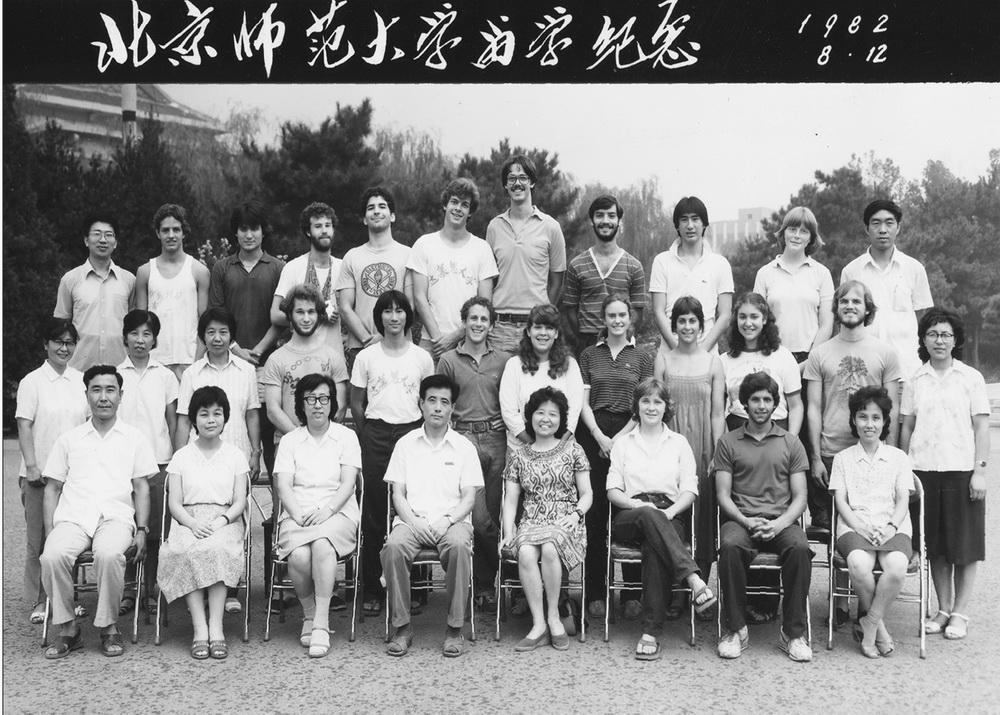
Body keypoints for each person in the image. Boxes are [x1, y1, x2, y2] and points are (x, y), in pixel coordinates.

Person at [39, 365, 157, 659]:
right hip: (74, 517)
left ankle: (108, 626)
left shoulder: (134, 438)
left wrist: (142, 529)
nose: (103, 397)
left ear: (120, 395)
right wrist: (51, 533)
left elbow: (141, 487)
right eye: (96, 390)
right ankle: (69, 628)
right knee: (51, 556)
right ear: (87, 395)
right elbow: (52, 489)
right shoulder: (69, 439)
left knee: (109, 554)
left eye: (110, 390)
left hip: (115, 518)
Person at [607, 378, 717, 660]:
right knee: (648, 514)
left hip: (669, 513)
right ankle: (694, 579)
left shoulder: (679, 443)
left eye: (658, 402)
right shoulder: (623, 444)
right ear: (636, 406)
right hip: (630, 514)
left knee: (654, 548)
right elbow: (612, 490)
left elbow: (690, 489)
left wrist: (669, 512)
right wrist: (637, 504)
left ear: (666, 407)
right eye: (645, 401)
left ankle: (650, 634)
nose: (651, 407)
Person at [899, 309, 990, 641]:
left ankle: (960, 613)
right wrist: (903, 471)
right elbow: (906, 427)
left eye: (946, 334)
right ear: (924, 340)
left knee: (964, 547)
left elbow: (982, 428)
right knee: (935, 546)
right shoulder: (915, 379)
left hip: (962, 472)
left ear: (955, 340)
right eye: (933, 334)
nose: (939, 340)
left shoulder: (970, 378)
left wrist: (980, 472)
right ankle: (942, 609)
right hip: (923, 472)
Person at [381, 374, 483, 657]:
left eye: (444, 402)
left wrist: (447, 521)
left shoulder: (464, 447)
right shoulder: (405, 444)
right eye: (432, 400)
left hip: (452, 521)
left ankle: (454, 628)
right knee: (393, 547)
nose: (438, 407)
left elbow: (469, 498)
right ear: (421, 404)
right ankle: (402, 627)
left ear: (452, 408)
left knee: (460, 546)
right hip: (411, 520)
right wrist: (414, 522)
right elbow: (397, 494)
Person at [714, 372, 812, 662]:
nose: (761, 405)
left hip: (781, 520)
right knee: (730, 546)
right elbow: (722, 495)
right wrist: (746, 521)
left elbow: (801, 497)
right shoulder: (727, 442)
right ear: (744, 403)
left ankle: (793, 634)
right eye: (755, 399)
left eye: (767, 399)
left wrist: (779, 524)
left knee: (800, 548)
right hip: (741, 520)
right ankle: (735, 630)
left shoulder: (791, 442)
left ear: (775, 404)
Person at [350, 291, 434, 616]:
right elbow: (357, 404)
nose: (394, 317)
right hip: (376, 434)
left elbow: (428, 401)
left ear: (408, 317)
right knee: (375, 509)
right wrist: (370, 432)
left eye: (400, 311)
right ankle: (373, 587)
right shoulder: (366, 357)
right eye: (387, 311)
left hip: (412, 432)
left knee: (415, 507)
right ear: (379, 317)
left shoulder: (421, 358)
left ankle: (416, 588)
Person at [273, 373, 362, 658]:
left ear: (332, 402)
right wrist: (298, 515)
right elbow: (283, 486)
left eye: (323, 398)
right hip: (298, 514)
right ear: (301, 404)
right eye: (310, 399)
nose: (317, 405)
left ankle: (321, 622)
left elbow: (348, 483)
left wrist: (327, 511)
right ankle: (309, 614)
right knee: (299, 556)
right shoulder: (290, 441)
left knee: (322, 544)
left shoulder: (346, 437)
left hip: (338, 513)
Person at [157, 386, 249, 660]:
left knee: (217, 549)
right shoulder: (181, 456)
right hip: (188, 520)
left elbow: (239, 501)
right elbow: (175, 503)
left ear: (225, 417)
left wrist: (221, 521)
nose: (211, 420)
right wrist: (192, 524)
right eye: (204, 414)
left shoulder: (235, 455)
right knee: (186, 550)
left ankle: (216, 627)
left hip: (225, 519)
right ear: (194, 420)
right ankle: (200, 628)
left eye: (217, 413)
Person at [576, 293, 653, 619]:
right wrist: (598, 435)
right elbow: (583, 402)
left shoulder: (643, 356)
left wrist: (618, 439)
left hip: (629, 433)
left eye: (622, 315)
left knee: (628, 510)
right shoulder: (589, 355)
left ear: (630, 318)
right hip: (594, 434)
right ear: (603, 319)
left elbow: (644, 403)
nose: (617, 320)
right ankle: (596, 591)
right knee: (595, 515)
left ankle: (631, 592)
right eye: (612, 315)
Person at [804, 281, 902, 532]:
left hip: (873, 454)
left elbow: (892, 408)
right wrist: (815, 458)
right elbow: (813, 409)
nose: (849, 306)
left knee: (872, 525)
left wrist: (890, 455)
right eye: (844, 301)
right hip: (831, 454)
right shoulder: (819, 354)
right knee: (837, 532)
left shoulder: (886, 353)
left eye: (856, 301)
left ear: (867, 309)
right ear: (836, 308)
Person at [502, 387, 592, 652]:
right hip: (532, 519)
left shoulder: (573, 450)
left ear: (560, 419)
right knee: (526, 552)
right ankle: (538, 623)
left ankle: (554, 617)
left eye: (553, 414)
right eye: (540, 412)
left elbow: (587, 494)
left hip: (566, 519)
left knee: (551, 546)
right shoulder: (518, 456)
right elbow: (510, 500)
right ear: (530, 416)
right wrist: (508, 532)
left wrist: (576, 514)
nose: (546, 419)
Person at [829, 386, 915, 658]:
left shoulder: (899, 458)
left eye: (876, 418)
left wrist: (891, 527)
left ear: (885, 421)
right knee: (858, 564)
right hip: (855, 526)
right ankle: (880, 630)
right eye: (863, 417)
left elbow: (903, 499)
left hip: (892, 525)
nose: (869, 424)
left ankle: (870, 621)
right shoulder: (842, 459)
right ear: (854, 420)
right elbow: (841, 501)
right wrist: (860, 526)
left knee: (897, 567)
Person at [437, 296, 510, 615]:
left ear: (491, 325)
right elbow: (441, 401)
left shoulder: (504, 360)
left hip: (496, 439)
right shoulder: (448, 360)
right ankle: (492, 576)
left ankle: (485, 588)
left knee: (493, 516)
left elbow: (512, 398)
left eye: (484, 319)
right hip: (463, 439)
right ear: (464, 322)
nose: (478, 324)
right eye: (473, 318)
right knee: (478, 520)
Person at [653, 296, 726, 615]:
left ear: (701, 325)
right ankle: (676, 592)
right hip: (670, 447)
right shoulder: (663, 360)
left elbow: (717, 413)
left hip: (703, 448)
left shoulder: (713, 362)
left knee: (703, 517)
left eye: (692, 320)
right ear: (674, 325)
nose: (687, 326)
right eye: (681, 320)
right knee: (674, 515)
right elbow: (655, 408)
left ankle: (701, 590)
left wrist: (718, 453)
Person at [16, 318, 89, 625]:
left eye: (70, 342)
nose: (64, 348)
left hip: (72, 477)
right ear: (46, 344)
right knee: (40, 540)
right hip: (40, 474)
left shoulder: (81, 381)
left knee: (68, 538)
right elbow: (24, 425)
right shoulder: (32, 381)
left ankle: (67, 599)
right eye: (58, 341)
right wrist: (32, 466)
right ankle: (41, 600)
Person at [209, 200, 286, 476]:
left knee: (270, 439)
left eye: (254, 228)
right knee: (232, 434)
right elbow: (216, 315)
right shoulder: (222, 268)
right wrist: (236, 349)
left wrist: (259, 350)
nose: (249, 235)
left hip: (268, 366)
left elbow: (283, 318)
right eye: (243, 229)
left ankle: (277, 504)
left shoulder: (278, 268)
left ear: (264, 231)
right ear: (235, 232)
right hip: (230, 363)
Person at [117, 309, 179, 613]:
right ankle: (129, 589)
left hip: (158, 461)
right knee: (126, 526)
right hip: (121, 465)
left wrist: (176, 459)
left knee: (154, 530)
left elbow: (173, 420)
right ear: (125, 338)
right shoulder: (115, 375)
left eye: (146, 334)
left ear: (155, 339)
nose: (140, 340)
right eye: (134, 333)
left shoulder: (165, 376)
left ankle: (152, 588)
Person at [841, 199, 933, 381]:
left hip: (906, 369)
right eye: (876, 223)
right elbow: (844, 322)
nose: (882, 230)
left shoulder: (914, 268)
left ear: (898, 227)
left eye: (889, 223)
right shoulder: (851, 271)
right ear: (866, 228)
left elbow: (923, 320)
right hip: (863, 370)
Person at [408, 178, 498, 360]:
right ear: (445, 204)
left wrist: (455, 337)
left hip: (469, 344)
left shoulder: (482, 249)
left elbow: (484, 304)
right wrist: (439, 340)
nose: (458, 208)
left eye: (465, 205)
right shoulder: (424, 244)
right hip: (430, 344)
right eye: (454, 202)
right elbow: (419, 297)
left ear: (470, 212)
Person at [486, 154, 567, 353]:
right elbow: (488, 279)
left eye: (523, 177)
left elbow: (556, 282)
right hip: (499, 329)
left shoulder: (551, 227)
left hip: (536, 328)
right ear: (505, 184)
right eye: (511, 178)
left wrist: (542, 316)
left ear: (532, 182)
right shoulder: (494, 227)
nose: (517, 183)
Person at [337, 187, 414, 369]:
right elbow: (345, 307)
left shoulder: (408, 255)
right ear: (365, 219)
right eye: (371, 208)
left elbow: (411, 305)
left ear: (392, 216)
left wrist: (382, 337)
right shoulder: (352, 257)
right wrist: (367, 339)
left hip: (399, 346)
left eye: (382, 206)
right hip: (360, 348)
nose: (376, 211)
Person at [561, 195, 647, 356]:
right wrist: (584, 339)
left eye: (611, 215)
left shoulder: (634, 266)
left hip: (622, 343)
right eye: (599, 215)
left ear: (619, 221)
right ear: (592, 221)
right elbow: (570, 310)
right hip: (587, 345)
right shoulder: (576, 265)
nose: (605, 221)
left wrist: (623, 337)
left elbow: (637, 312)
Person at [134, 204, 211, 381]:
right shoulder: (145, 272)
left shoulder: (199, 271)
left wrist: (196, 364)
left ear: (184, 232)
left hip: (189, 361)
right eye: (165, 230)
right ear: (157, 233)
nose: (171, 235)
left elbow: (204, 322)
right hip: (154, 361)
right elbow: (141, 323)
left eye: (176, 229)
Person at [649, 196, 733, 352]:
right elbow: (658, 311)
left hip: (708, 355)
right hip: (670, 354)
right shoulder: (662, 261)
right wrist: (678, 352)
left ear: (704, 224)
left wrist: (700, 354)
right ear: (677, 226)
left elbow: (725, 316)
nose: (690, 226)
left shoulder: (720, 264)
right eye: (684, 220)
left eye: (695, 219)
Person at [54, 213, 136, 371]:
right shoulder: (70, 280)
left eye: (109, 235)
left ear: (115, 242)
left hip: (121, 370)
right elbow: (60, 327)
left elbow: (135, 326)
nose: (103, 240)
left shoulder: (129, 280)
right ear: (86, 240)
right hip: (79, 370)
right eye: (97, 234)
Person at [753, 206, 835, 361]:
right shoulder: (764, 273)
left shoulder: (822, 273)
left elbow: (826, 325)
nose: (797, 236)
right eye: (792, 229)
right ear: (783, 233)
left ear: (810, 238)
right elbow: (757, 320)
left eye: (803, 231)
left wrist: (810, 361)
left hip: (810, 359)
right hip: (772, 357)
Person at [499, 304, 584, 452]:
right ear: (528, 331)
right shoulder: (514, 365)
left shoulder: (570, 365)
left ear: (556, 333)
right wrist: (536, 446)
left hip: (563, 449)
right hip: (521, 450)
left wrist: (554, 449)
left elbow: (574, 412)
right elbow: (509, 413)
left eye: (549, 328)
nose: (543, 333)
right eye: (538, 327)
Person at [271, 201, 345, 366]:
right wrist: (317, 314)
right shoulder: (293, 268)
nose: (324, 230)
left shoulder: (343, 268)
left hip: (335, 361)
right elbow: (275, 315)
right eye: (318, 226)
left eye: (328, 225)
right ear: (308, 231)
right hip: (300, 361)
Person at [719, 292, 803, 434]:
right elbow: (718, 412)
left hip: (776, 431)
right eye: (742, 317)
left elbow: (796, 407)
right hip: (737, 432)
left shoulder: (783, 356)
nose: (748, 323)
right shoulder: (724, 361)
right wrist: (728, 442)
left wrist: (791, 441)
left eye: (754, 317)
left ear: (764, 319)